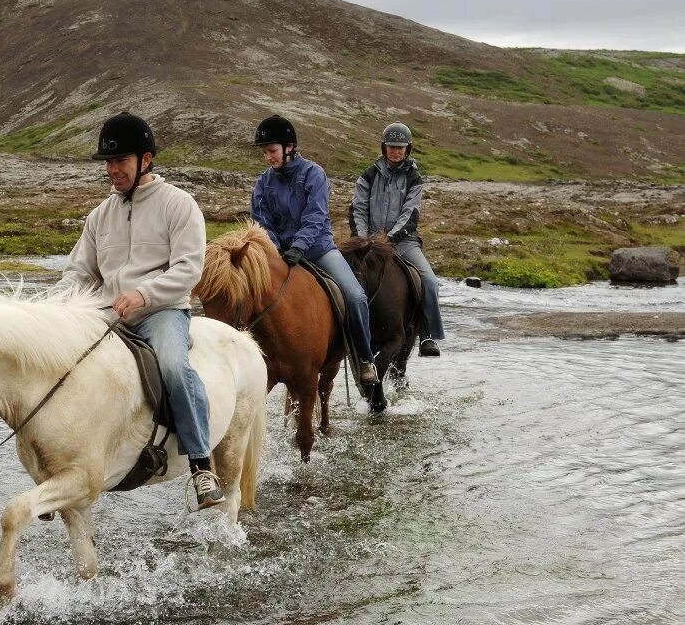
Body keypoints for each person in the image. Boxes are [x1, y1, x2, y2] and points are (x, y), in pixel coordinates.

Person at [56, 112, 225, 509]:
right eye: (109, 163)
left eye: (121, 161)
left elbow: (188, 269)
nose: (113, 170)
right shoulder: (100, 216)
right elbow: (80, 271)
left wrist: (143, 295)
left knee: (172, 365)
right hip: (108, 314)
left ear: (145, 160)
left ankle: (201, 465)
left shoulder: (179, 205)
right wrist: (56, 303)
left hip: (161, 312)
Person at [249, 114, 379, 391]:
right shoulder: (264, 182)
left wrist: (299, 246)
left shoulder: (314, 174)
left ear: (289, 147)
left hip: (318, 250)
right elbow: (261, 220)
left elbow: (315, 217)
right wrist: (275, 248)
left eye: (271, 151)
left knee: (355, 296)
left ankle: (365, 360)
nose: (267, 158)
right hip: (281, 255)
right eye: (264, 152)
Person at [350, 121, 444, 356]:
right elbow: (358, 209)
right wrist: (362, 240)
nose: (396, 151)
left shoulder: (414, 178)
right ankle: (344, 331)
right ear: (384, 148)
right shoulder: (369, 175)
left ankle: (427, 335)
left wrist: (390, 239)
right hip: (369, 241)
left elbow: (410, 214)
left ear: (407, 149)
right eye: (392, 146)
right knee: (346, 276)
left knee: (430, 281)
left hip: (403, 242)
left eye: (400, 147)